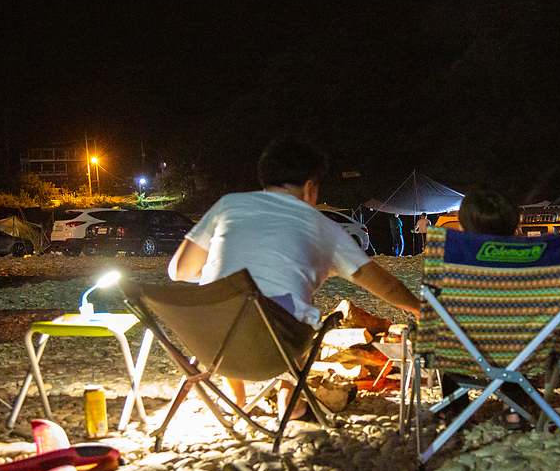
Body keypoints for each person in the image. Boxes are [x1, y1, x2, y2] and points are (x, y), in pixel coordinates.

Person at [169, 139, 421, 421]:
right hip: (277, 350)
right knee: (297, 313)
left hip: (210, 345)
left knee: (228, 302)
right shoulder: (323, 227)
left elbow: (179, 270)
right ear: (310, 186)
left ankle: (236, 399)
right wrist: (419, 309)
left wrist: (231, 280)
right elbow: (385, 286)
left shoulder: (228, 205)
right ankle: (290, 398)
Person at [441, 187, 525, 428]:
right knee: (512, 346)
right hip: (522, 351)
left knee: (453, 349)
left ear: (463, 226)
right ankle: (514, 410)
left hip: (464, 355)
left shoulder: (454, 264)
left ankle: (455, 411)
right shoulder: (533, 262)